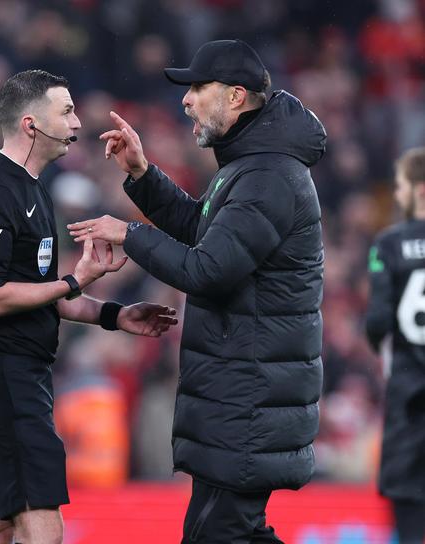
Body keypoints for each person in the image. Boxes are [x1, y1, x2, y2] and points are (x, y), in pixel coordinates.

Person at [68, 39, 326, 542]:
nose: (185, 99)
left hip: (248, 401)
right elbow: (204, 230)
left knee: (219, 535)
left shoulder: (267, 174)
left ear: (234, 96)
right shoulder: (253, 165)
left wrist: (130, 234)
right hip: (243, 398)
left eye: (196, 87)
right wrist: (142, 177)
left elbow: (209, 269)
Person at [0, 69, 178, 544]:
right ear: (32, 124)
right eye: (68, 111)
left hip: (16, 372)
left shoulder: (34, 187)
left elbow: (42, 296)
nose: (78, 122)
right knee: (42, 517)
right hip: (3, 372)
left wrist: (114, 315)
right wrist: (75, 279)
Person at [365, 147, 425, 544]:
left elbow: (377, 321)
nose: (398, 195)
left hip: (409, 393)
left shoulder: (386, 245)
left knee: (408, 512)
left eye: (402, 186)